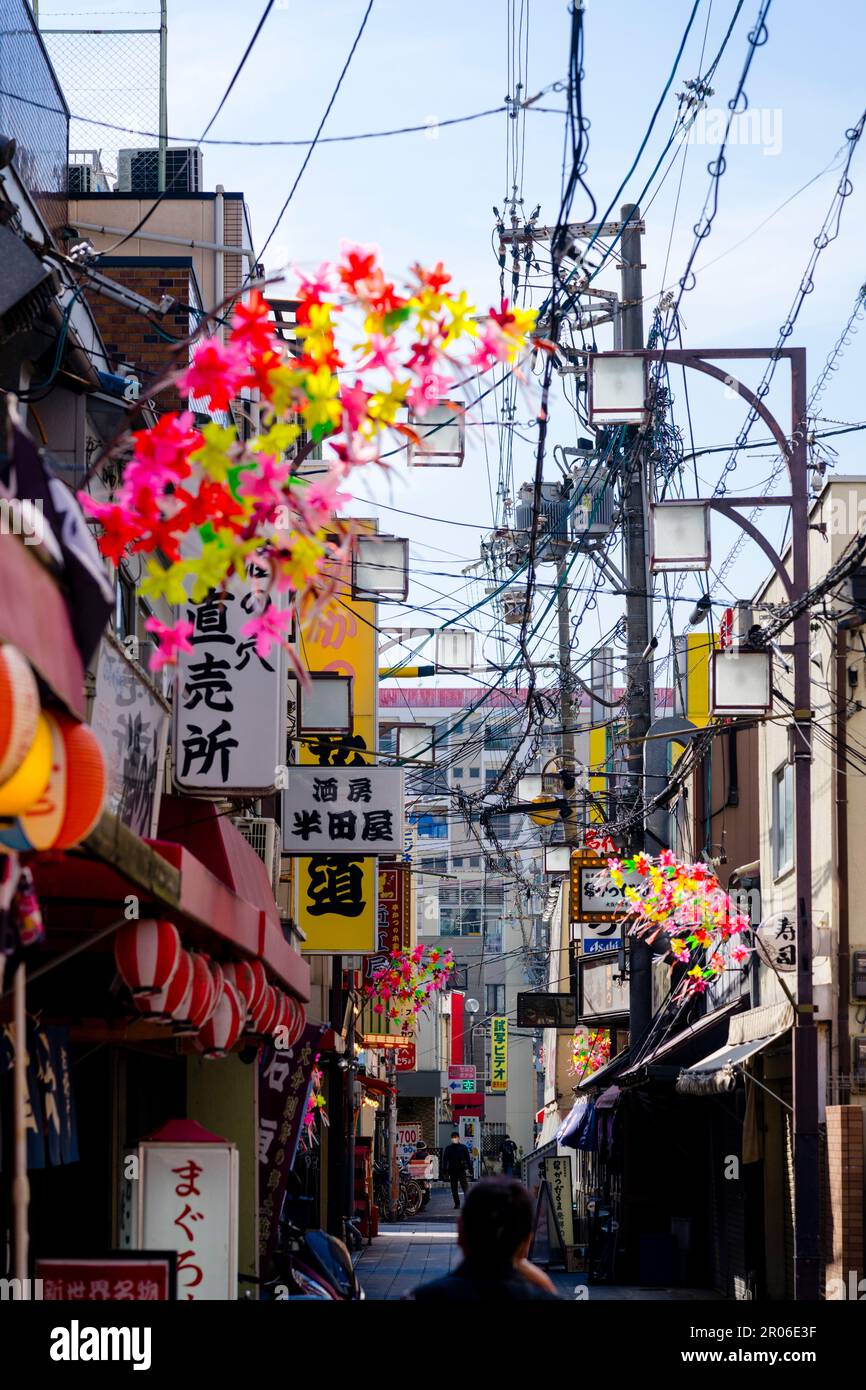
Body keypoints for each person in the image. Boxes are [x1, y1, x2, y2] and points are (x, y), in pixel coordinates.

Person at [409, 1178, 560, 1301]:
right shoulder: (542, 1295)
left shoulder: (422, 1296)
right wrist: (547, 1287)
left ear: (460, 1231)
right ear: (527, 1241)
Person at [440, 1131, 473, 1208]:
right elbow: (445, 1160)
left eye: (455, 1137)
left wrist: (470, 1168)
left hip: (461, 1170)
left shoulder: (463, 1147)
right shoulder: (448, 1148)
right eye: (453, 1137)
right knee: (454, 1189)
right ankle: (457, 1204)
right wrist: (444, 1170)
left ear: (459, 1138)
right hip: (452, 1171)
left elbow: (468, 1159)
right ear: (451, 1139)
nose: (454, 1139)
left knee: (465, 1188)